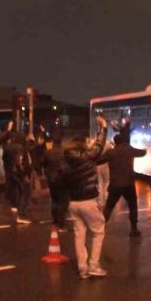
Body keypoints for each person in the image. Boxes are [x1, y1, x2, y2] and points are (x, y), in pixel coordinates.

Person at [61, 116, 108, 279]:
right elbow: (98, 147)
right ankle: (94, 265)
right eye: (87, 142)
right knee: (98, 231)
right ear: (82, 145)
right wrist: (104, 128)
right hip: (88, 200)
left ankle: (82, 267)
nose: (90, 143)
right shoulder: (86, 158)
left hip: (73, 203)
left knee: (79, 234)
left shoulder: (65, 161)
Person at [99, 134, 147, 237]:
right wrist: (145, 149)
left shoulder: (111, 152)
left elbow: (98, 161)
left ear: (115, 142)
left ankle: (100, 227)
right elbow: (142, 153)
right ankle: (134, 229)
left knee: (109, 207)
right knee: (132, 206)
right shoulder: (129, 149)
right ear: (124, 141)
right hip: (129, 184)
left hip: (115, 184)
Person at [4, 132, 32, 224]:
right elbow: (19, 162)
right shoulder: (20, 148)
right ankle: (21, 214)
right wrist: (24, 175)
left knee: (17, 190)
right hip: (19, 173)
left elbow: (4, 158)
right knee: (26, 192)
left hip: (11, 171)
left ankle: (15, 205)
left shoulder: (9, 146)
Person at [43, 131, 68, 231]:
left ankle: (54, 221)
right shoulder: (65, 152)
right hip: (63, 179)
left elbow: (43, 164)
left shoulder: (48, 152)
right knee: (63, 202)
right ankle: (61, 224)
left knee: (54, 200)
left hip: (51, 179)